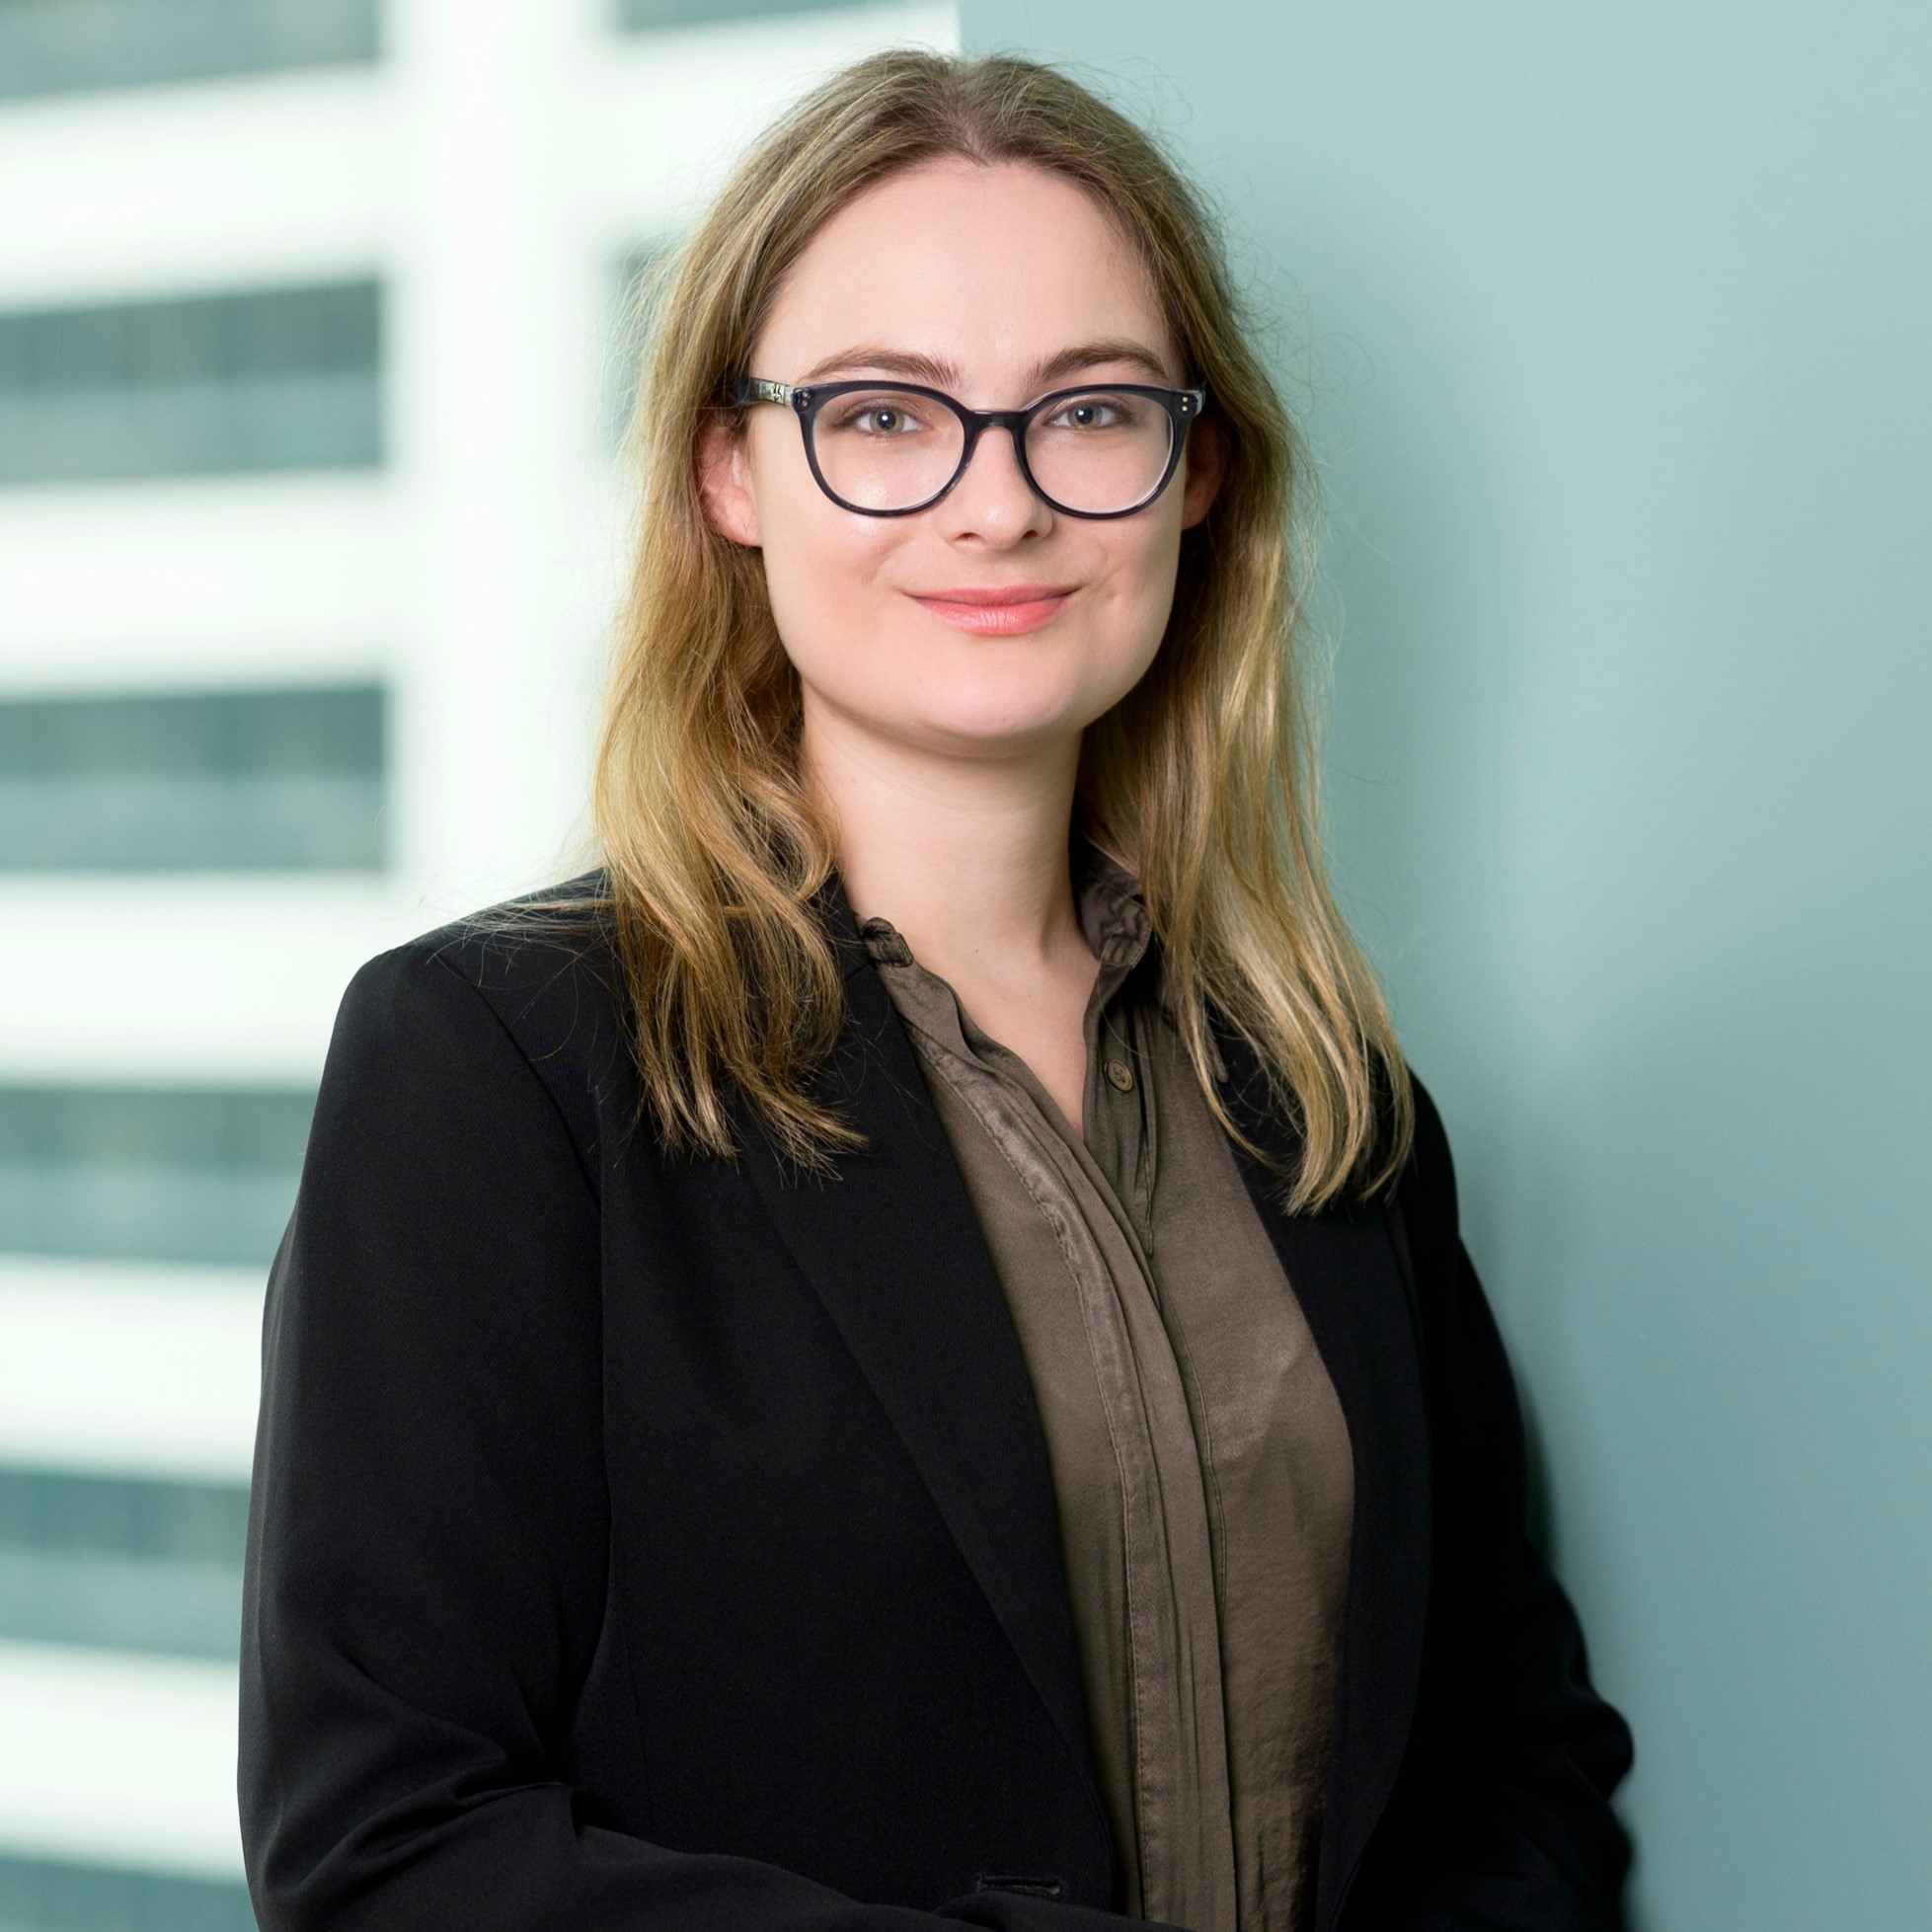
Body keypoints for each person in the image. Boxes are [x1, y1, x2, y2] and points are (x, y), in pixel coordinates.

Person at [239, 49, 1632, 1932]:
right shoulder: (495, 1066)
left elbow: (1515, 1761)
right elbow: (388, 1852)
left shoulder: (1323, 1094)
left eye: (1090, 411)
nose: (997, 506)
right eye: (884, 416)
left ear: (1198, 471)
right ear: (729, 469)